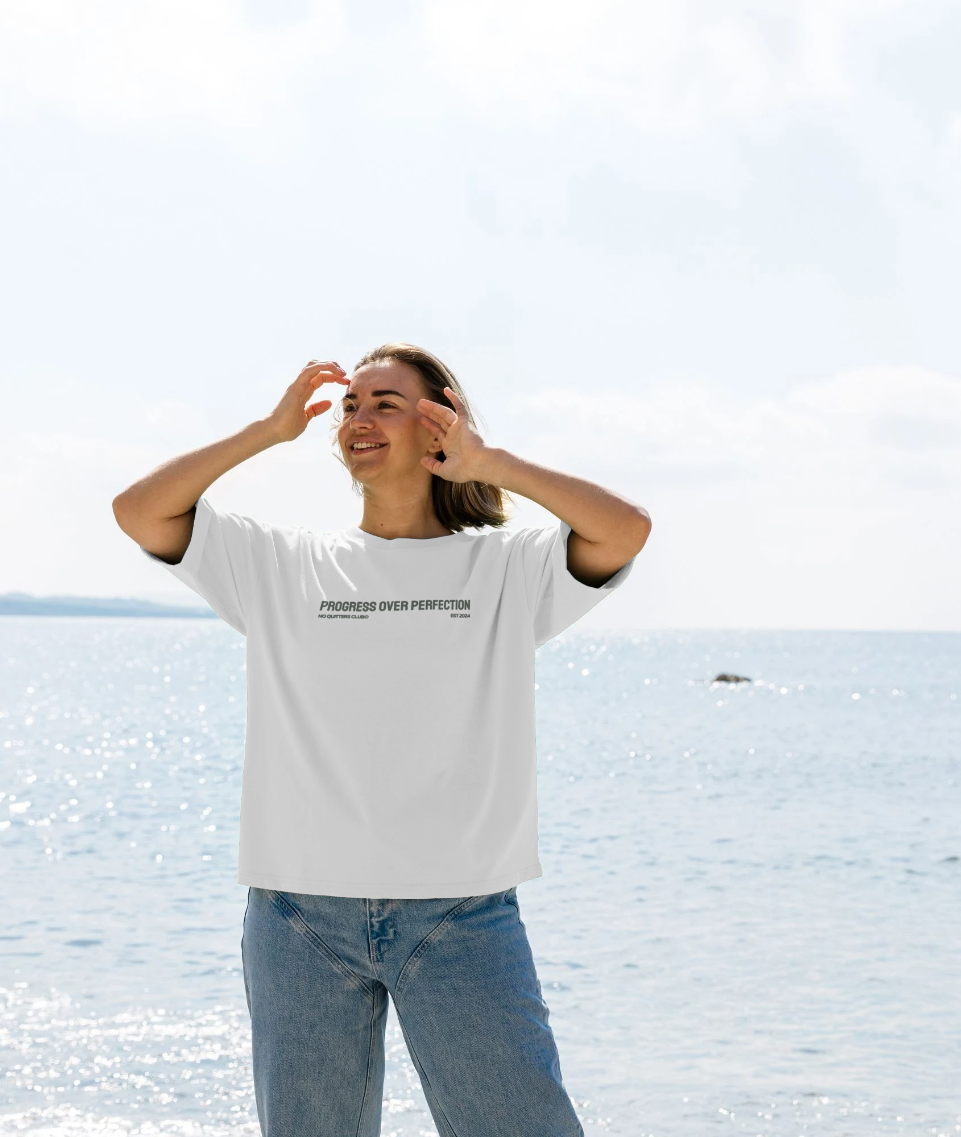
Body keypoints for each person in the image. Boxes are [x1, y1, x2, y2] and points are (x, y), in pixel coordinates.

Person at [112, 343, 651, 1137]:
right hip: (298, 919)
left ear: (439, 423)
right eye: (351, 405)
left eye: (384, 403)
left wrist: (489, 459)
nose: (358, 419)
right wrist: (266, 432)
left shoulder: (504, 568)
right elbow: (139, 511)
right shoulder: (283, 563)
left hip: (460, 913)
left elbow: (626, 529)